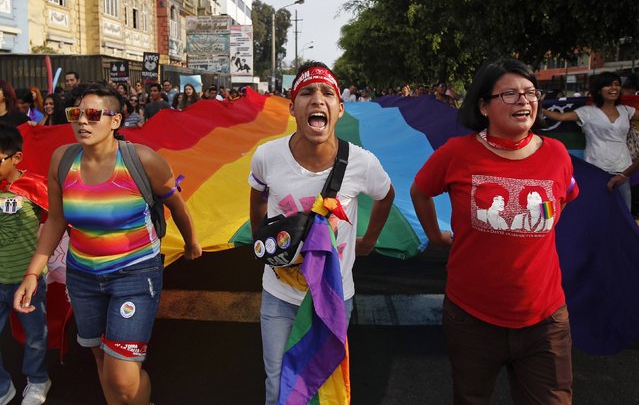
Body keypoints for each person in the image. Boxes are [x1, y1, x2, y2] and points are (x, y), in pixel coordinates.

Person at [13, 84, 202, 405]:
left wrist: (191, 242)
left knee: (123, 378)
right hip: (83, 277)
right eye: (76, 114)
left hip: (135, 276)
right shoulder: (62, 160)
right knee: (101, 358)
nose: (82, 122)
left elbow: (178, 206)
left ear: (116, 120)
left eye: (93, 115)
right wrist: (33, 273)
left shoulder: (142, 160)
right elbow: (57, 220)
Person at [410, 59, 579, 404]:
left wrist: (531, 231)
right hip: (472, 318)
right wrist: (437, 236)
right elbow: (421, 190)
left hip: (545, 320)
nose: (524, 100)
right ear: (484, 106)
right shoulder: (456, 153)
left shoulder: (558, 154)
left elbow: (567, 196)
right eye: (510, 94)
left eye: (531, 92)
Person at [248, 61, 395, 404]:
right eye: (307, 92)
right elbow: (257, 195)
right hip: (279, 296)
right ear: (292, 107)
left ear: (339, 109)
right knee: (278, 385)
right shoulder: (267, 156)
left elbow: (386, 195)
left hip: (333, 298)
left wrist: (369, 240)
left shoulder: (362, 163)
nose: (318, 99)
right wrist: (262, 240)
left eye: (327, 93)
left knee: (322, 385)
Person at [0, 122, 52, 405]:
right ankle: (2, 386)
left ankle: (38, 380)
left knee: (35, 336)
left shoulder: (35, 186)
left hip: (27, 280)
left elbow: (59, 221)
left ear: (16, 157)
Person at [542, 71, 639, 210]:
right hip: (596, 169)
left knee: (624, 214)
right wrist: (539, 108)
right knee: (596, 211)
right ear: (599, 89)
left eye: (617, 85)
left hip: (623, 171)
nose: (613, 88)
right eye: (608, 85)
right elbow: (560, 117)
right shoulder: (587, 112)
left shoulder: (626, 110)